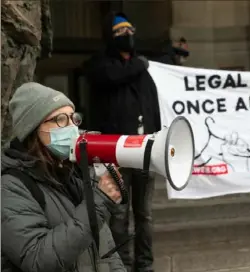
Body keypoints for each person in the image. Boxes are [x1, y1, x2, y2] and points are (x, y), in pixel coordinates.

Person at [1, 82, 126, 272]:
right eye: (60, 119)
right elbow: (37, 259)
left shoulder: (72, 176)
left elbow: (105, 249)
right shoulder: (11, 187)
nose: (72, 128)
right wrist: (98, 202)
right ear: (33, 128)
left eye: (72, 118)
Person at [83, 12, 161, 272]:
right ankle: (122, 267)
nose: (127, 37)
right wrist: (141, 64)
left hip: (145, 152)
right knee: (118, 215)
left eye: (130, 31)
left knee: (145, 215)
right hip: (115, 155)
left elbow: (154, 109)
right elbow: (113, 76)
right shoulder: (100, 65)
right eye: (120, 33)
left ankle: (145, 266)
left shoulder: (144, 74)